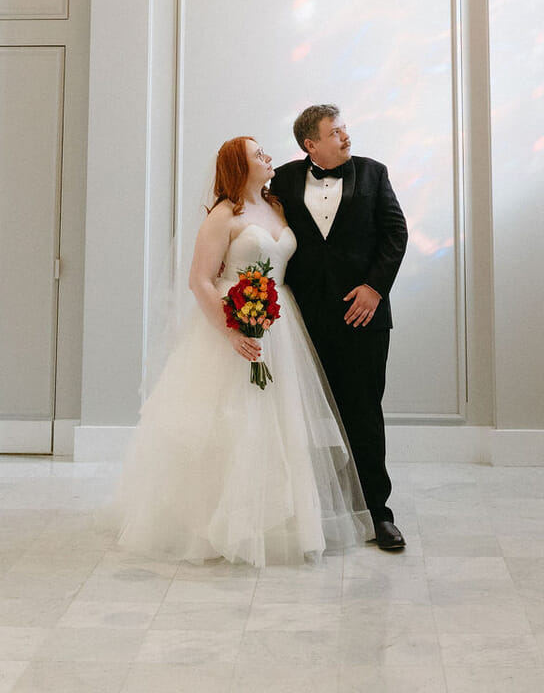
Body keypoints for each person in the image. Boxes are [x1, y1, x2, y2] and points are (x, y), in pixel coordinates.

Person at [106, 135, 370, 567]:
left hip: (281, 323)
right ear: (239, 166)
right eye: (258, 154)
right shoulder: (224, 215)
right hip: (232, 322)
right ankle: (218, 526)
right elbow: (199, 279)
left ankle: (280, 523)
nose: (268, 157)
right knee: (231, 421)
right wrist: (232, 330)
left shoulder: (278, 207)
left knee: (279, 421)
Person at [270, 104, 409, 552]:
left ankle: (378, 514)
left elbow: (396, 234)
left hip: (364, 317)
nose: (346, 137)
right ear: (310, 144)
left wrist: (374, 289)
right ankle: (313, 513)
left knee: (363, 413)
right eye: (335, 132)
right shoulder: (283, 180)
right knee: (303, 417)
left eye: (345, 129)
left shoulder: (374, 173)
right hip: (303, 320)